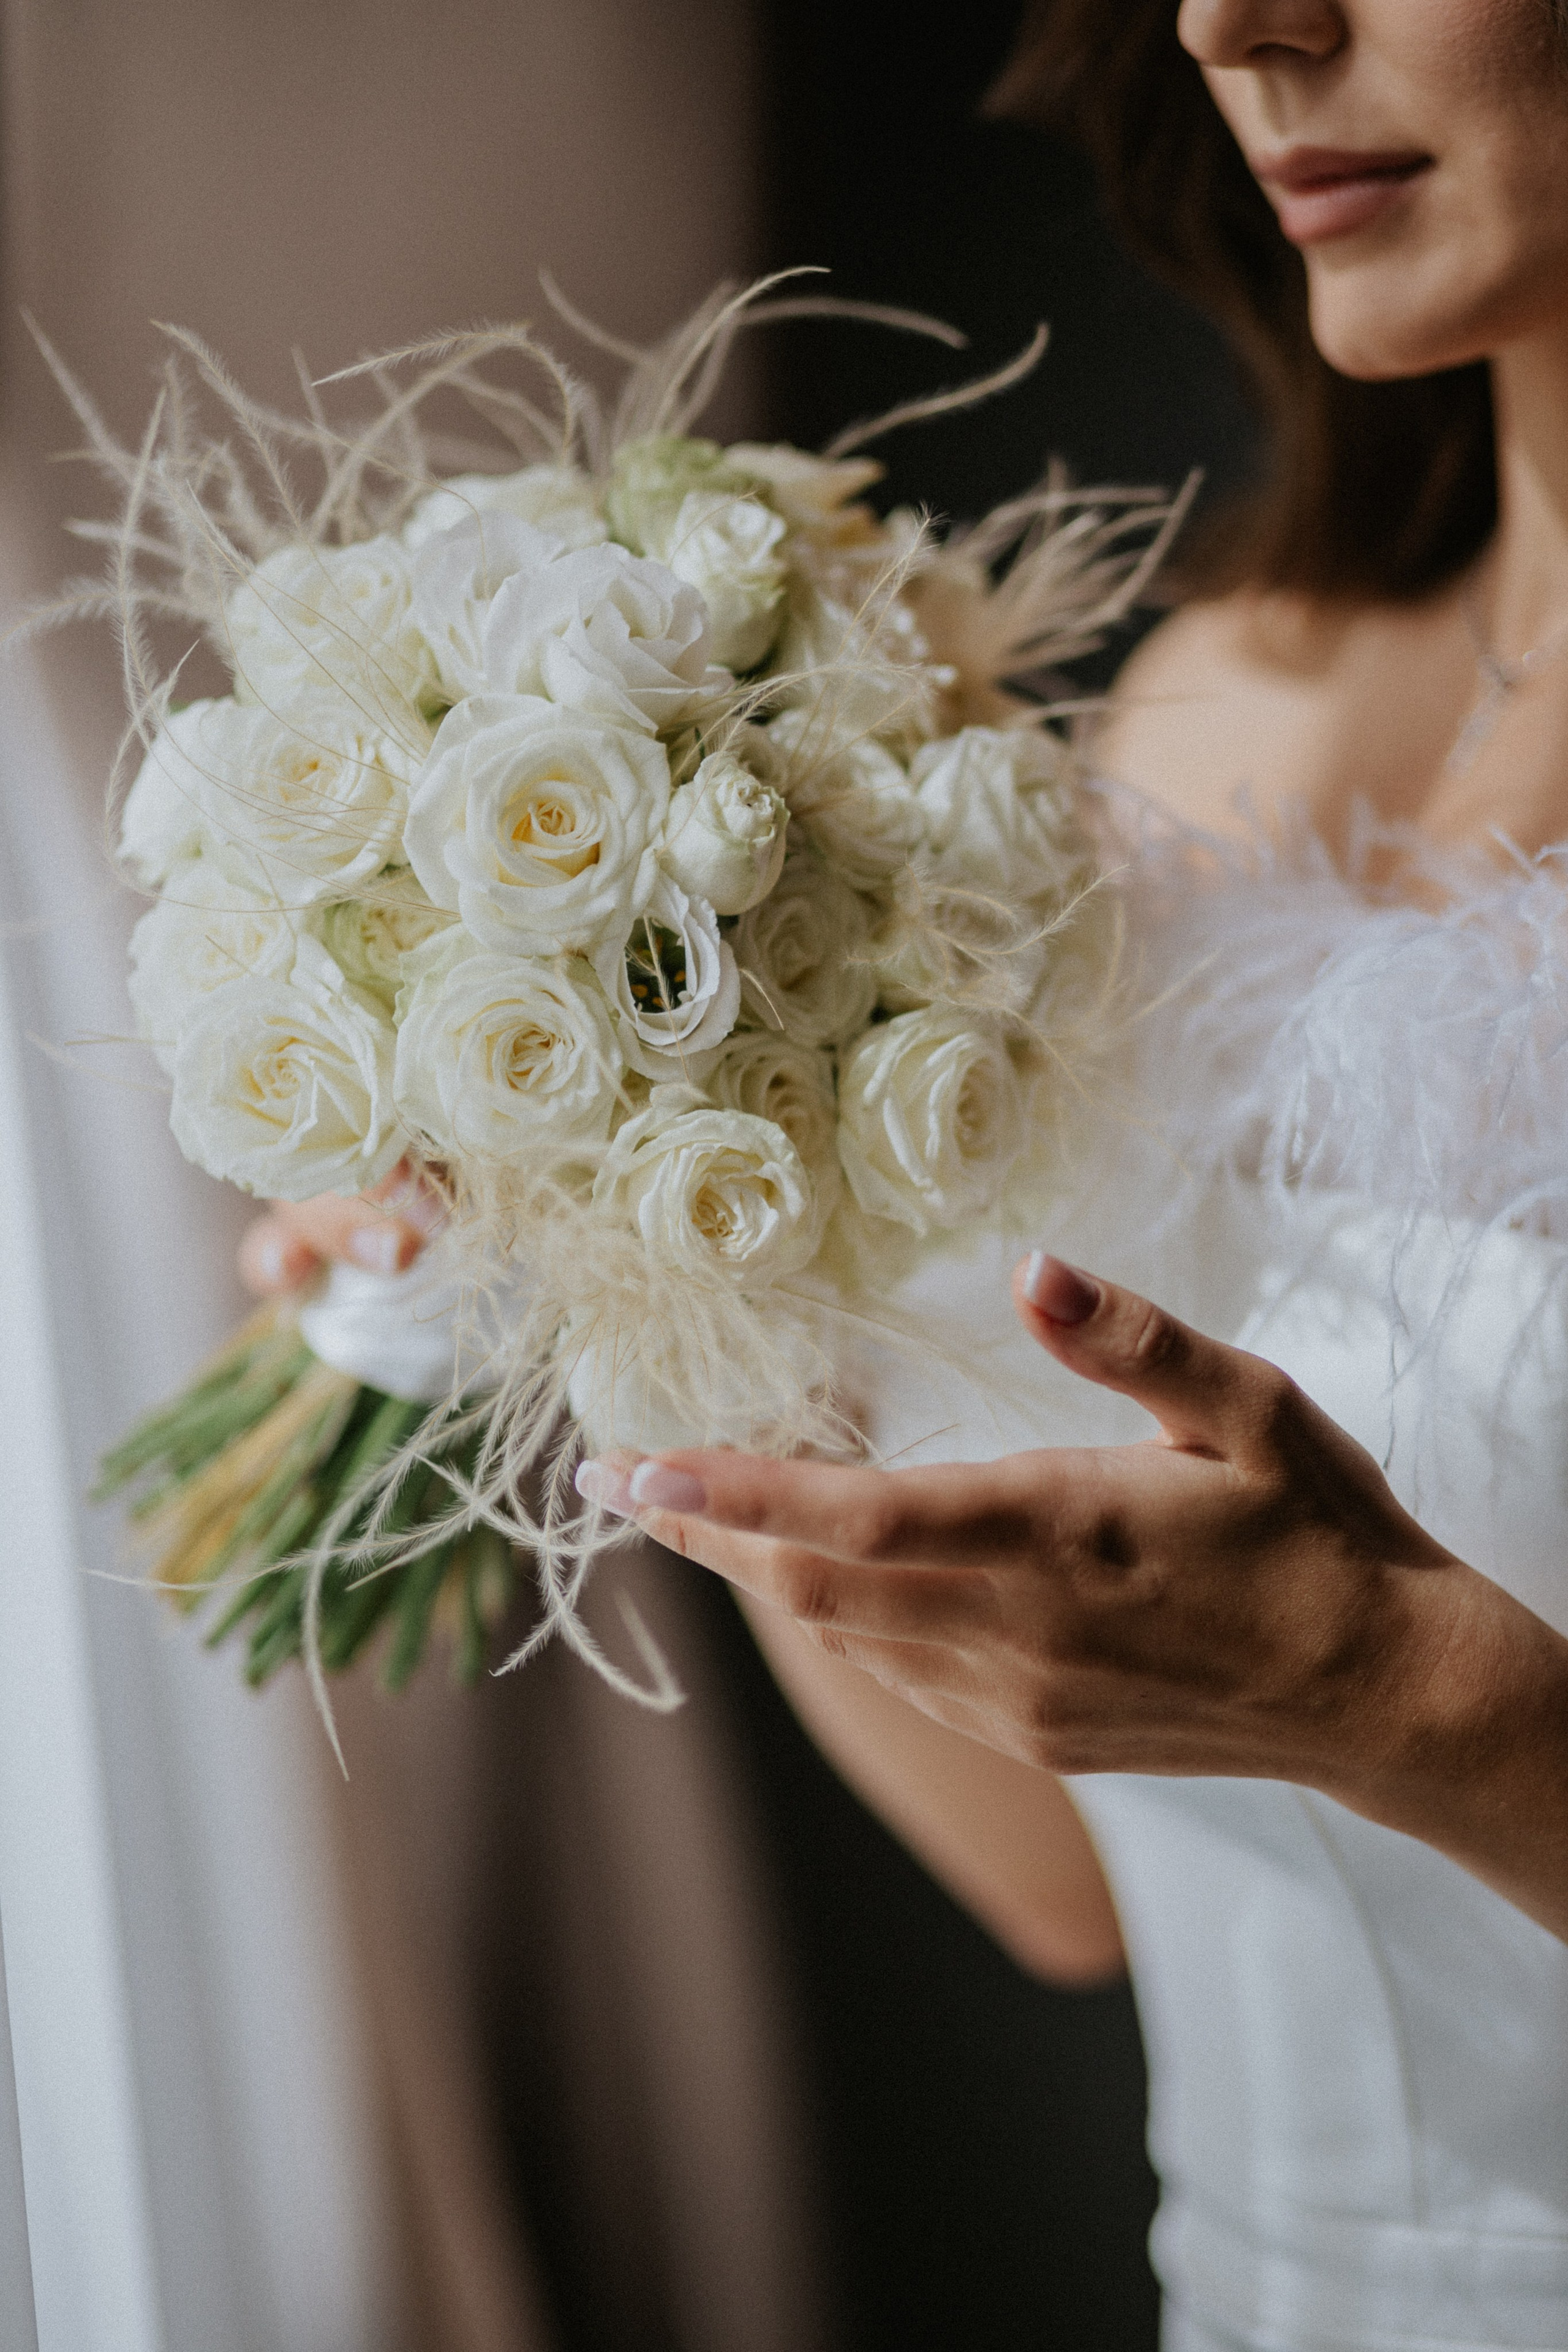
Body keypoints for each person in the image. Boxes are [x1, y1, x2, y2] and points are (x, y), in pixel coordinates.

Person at [251, 2, 1568, 2346]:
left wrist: (1421, 1697)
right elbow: (1079, 1885)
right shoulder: (1207, 717)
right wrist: (646, 1289)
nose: (1236, 20)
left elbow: (1368, 1726)